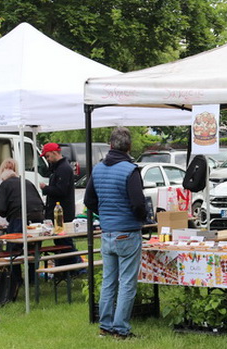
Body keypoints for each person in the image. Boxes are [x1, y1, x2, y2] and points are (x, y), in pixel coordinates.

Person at [84, 127, 148, 340]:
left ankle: (105, 325)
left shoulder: (98, 168)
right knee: (127, 282)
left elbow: (88, 200)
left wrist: (104, 215)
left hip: (107, 231)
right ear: (129, 146)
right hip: (128, 231)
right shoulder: (130, 170)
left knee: (109, 281)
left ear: (110, 145)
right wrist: (142, 219)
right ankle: (121, 329)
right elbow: (138, 203)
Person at [0, 164, 45, 285]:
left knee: (13, 249)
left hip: (19, 218)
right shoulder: (26, 181)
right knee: (33, 248)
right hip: (38, 217)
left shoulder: (5, 184)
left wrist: (6, 214)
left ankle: (16, 279)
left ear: (3, 178)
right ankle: (33, 278)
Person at [39, 143, 81, 267]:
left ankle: (74, 266)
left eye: (47, 156)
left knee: (65, 242)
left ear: (54, 153)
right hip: (59, 211)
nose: (47, 159)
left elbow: (61, 190)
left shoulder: (64, 169)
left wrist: (46, 188)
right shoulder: (59, 168)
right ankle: (65, 266)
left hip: (63, 212)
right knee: (60, 241)